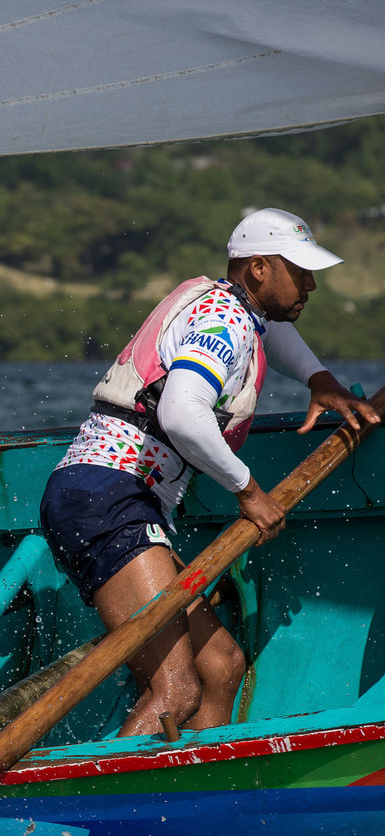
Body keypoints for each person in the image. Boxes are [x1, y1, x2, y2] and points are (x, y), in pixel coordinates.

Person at [39, 208, 378, 738]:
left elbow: (272, 336)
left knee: (221, 668)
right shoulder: (227, 321)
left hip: (111, 494)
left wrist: (320, 379)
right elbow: (181, 413)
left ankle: (184, 797)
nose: (311, 284)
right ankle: (103, 808)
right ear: (260, 268)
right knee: (176, 691)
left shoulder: (224, 302)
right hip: (108, 495)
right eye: (300, 269)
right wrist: (249, 490)